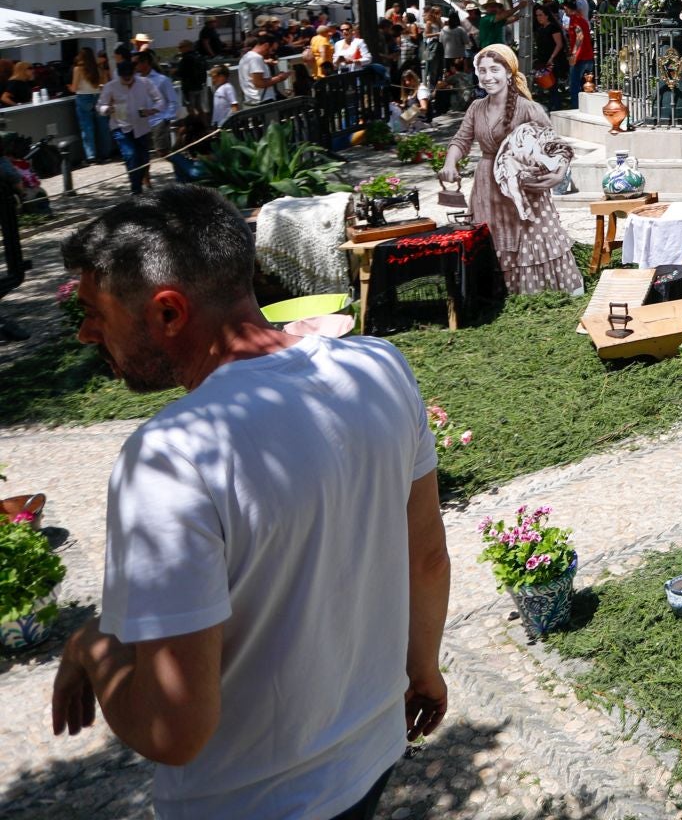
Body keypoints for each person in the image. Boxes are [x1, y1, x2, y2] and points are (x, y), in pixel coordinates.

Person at [49, 184, 450, 818]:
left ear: (170, 313)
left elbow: (174, 731)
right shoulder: (380, 366)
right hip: (370, 753)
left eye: (96, 312)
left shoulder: (170, 456)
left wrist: (92, 648)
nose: (85, 334)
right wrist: (420, 668)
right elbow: (426, 556)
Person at [438, 44, 583, 296]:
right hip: (487, 185)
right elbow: (461, 140)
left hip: (524, 186)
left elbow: (557, 146)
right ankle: (497, 293)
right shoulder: (476, 108)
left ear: (508, 72)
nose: (488, 76)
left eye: (494, 69)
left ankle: (535, 292)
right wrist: (450, 163)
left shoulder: (528, 108)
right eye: (482, 71)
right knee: (493, 234)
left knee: (529, 234)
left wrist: (557, 174)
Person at [95, 60, 162, 193]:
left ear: (134, 73)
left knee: (144, 159)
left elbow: (159, 100)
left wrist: (152, 110)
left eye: (129, 75)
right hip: (120, 127)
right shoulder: (111, 86)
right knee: (130, 155)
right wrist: (107, 109)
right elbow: (99, 106)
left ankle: (139, 181)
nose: (127, 79)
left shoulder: (144, 83)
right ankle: (136, 190)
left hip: (141, 126)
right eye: (124, 76)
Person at [133, 51, 180, 156]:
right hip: (140, 123)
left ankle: (184, 168)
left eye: (135, 63)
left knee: (163, 152)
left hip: (158, 121)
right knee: (141, 155)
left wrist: (166, 118)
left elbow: (173, 101)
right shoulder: (134, 80)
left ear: (145, 63)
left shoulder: (162, 80)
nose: (133, 66)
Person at [69, 47, 105, 163]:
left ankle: (91, 156)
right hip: (97, 96)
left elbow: (74, 88)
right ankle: (105, 153)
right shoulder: (98, 68)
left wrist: (69, 87)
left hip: (83, 97)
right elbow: (103, 84)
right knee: (102, 125)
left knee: (87, 127)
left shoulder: (78, 69)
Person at [236, 33, 290, 105]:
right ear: (266, 45)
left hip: (252, 100)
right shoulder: (256, 58)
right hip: (263, 102)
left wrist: (265, 62)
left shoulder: (247, 57)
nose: (271, 53)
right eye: (272, 50)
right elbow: (259, 83)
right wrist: (280, 77)